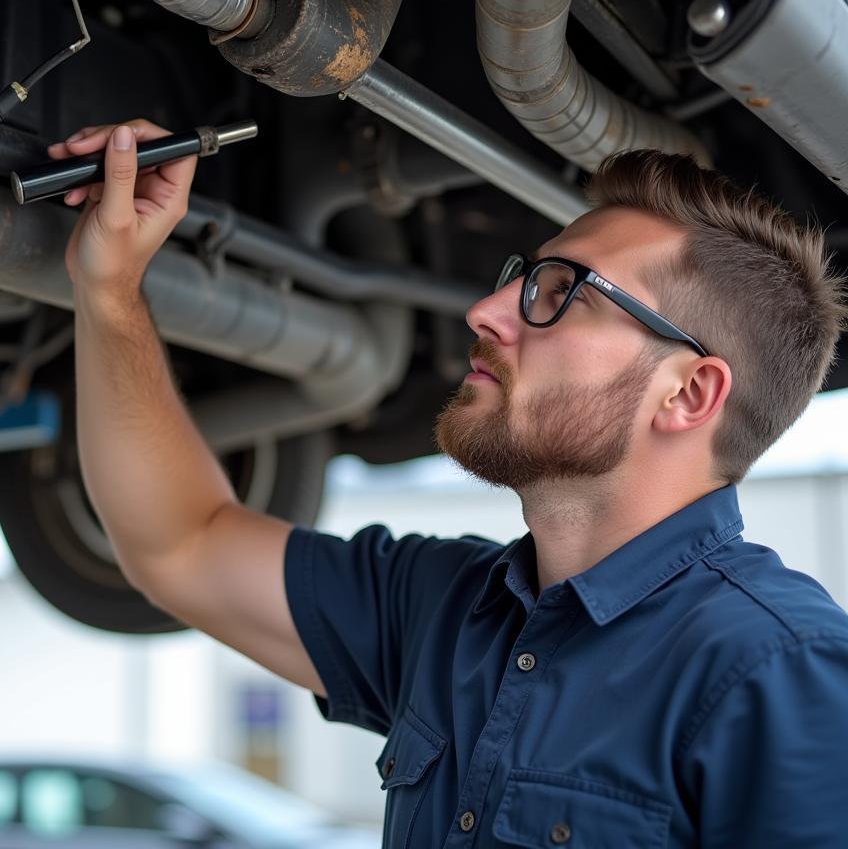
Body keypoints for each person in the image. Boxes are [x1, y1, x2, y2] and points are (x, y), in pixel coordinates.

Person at [47, 119, 848, 847]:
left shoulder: (779, 672)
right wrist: (111, 290)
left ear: (688, 394)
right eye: (523, 276)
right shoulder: (448, 610)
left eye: (561, 292)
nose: (487, 309)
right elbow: (179, 542)